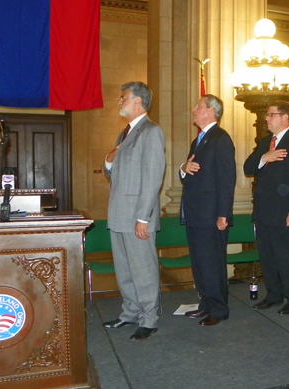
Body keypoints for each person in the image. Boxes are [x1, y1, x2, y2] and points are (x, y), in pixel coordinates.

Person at [102, 81, 166, 341]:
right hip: (118, 213)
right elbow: (114, 172)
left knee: (143, 269)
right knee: (125, 269)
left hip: (138, 215)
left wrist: (143, 217)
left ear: (138, 101)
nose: (120, 101)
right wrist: (108, 161)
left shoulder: (151, 132)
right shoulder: (124, 133)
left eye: (123, 97)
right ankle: (130, 312)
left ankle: (149, 318)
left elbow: (153, 178)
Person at [244, 101, 289, 315]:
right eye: (267, 115)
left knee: (287, 256)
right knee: (268, 256)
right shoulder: (265, 142)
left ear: (285, 117)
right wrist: (265, 157)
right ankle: (273, 295)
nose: (267, 118)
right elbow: (248, 167)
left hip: (285, 213)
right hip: (264, 212)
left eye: (271, 115)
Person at [181, 94, 236, 326]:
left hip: (211, 214)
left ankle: (219, 309)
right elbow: (190, 173)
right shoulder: (199, 140)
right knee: (200, 262)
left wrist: (223, 213)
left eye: (198, 106)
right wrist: (183, 168)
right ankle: (205, 304)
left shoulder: (220, 138)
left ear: (211, 111)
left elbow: (227, 178)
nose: (194, 109)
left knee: (212, 263)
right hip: (195, 213)